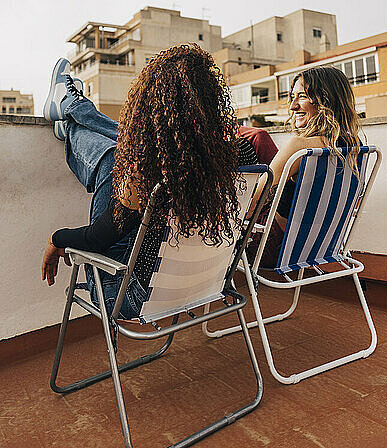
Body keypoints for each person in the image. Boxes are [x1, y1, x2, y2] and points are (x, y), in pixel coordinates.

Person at [41, 44, 259, 318]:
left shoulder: (147, 172)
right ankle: (71, 112)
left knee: (114, 159)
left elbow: (96, 239)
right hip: (206, 284)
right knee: (127, 155)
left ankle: (71, 118)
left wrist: (55, 238)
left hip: (129, 295)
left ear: (151, 103)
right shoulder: (242, 153)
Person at [245, 65, 362, 268]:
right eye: (292, 97)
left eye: (302, 96)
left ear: (326, 99)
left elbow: (251, 204)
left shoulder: (300, 147)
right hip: (322, 247)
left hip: (273, 249)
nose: (292, 106)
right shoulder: (356, 147)